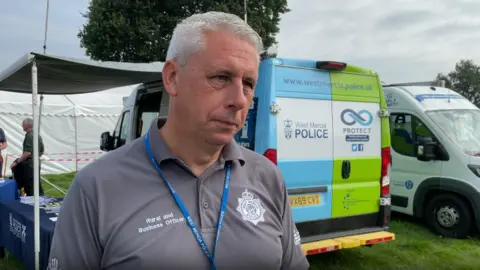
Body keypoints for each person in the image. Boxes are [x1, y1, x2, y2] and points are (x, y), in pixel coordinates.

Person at [47, 11, 309, 270]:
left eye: (249, 83)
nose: (240, 99)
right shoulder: (96, 188)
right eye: (221, 77)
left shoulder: (267, 177)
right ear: (172, 78)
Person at [10, 118, 44, 196]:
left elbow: (27, 153)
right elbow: (42, 150)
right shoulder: (37, 135)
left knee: (30, 186)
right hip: (36, 162)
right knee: (36, 184)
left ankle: (32, 204)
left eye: (23, 124)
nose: (22, 126)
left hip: (30, 165)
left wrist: (17, 162)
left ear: (26, 125)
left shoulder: (29, 136)